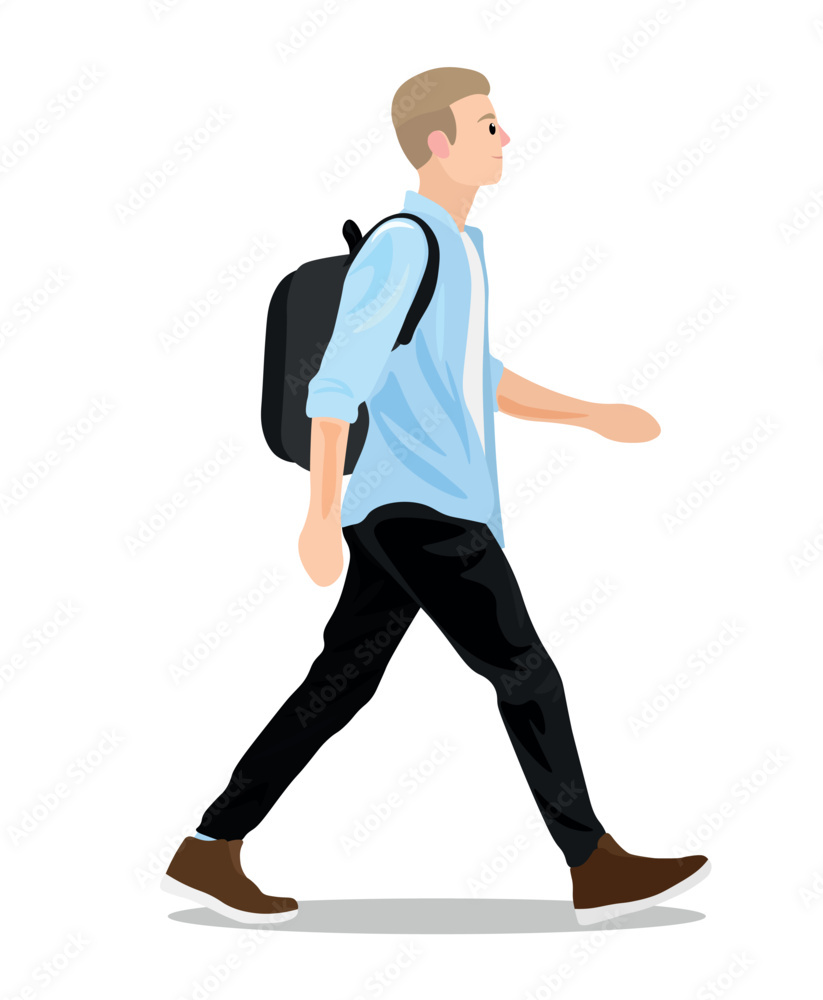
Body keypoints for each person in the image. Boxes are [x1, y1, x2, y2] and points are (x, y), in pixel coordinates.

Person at [163, 67, 710, 926]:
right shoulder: (405, 245)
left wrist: (591, 414)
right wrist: (315, 516)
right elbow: (337, 384)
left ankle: (209, 849)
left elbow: (472, 376)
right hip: (423, 507)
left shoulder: (457, 248)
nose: (504, 138)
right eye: (487, 125)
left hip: (407, 505)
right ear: (439, 144)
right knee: (525, 673)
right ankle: (594, 865)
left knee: (342, 681)